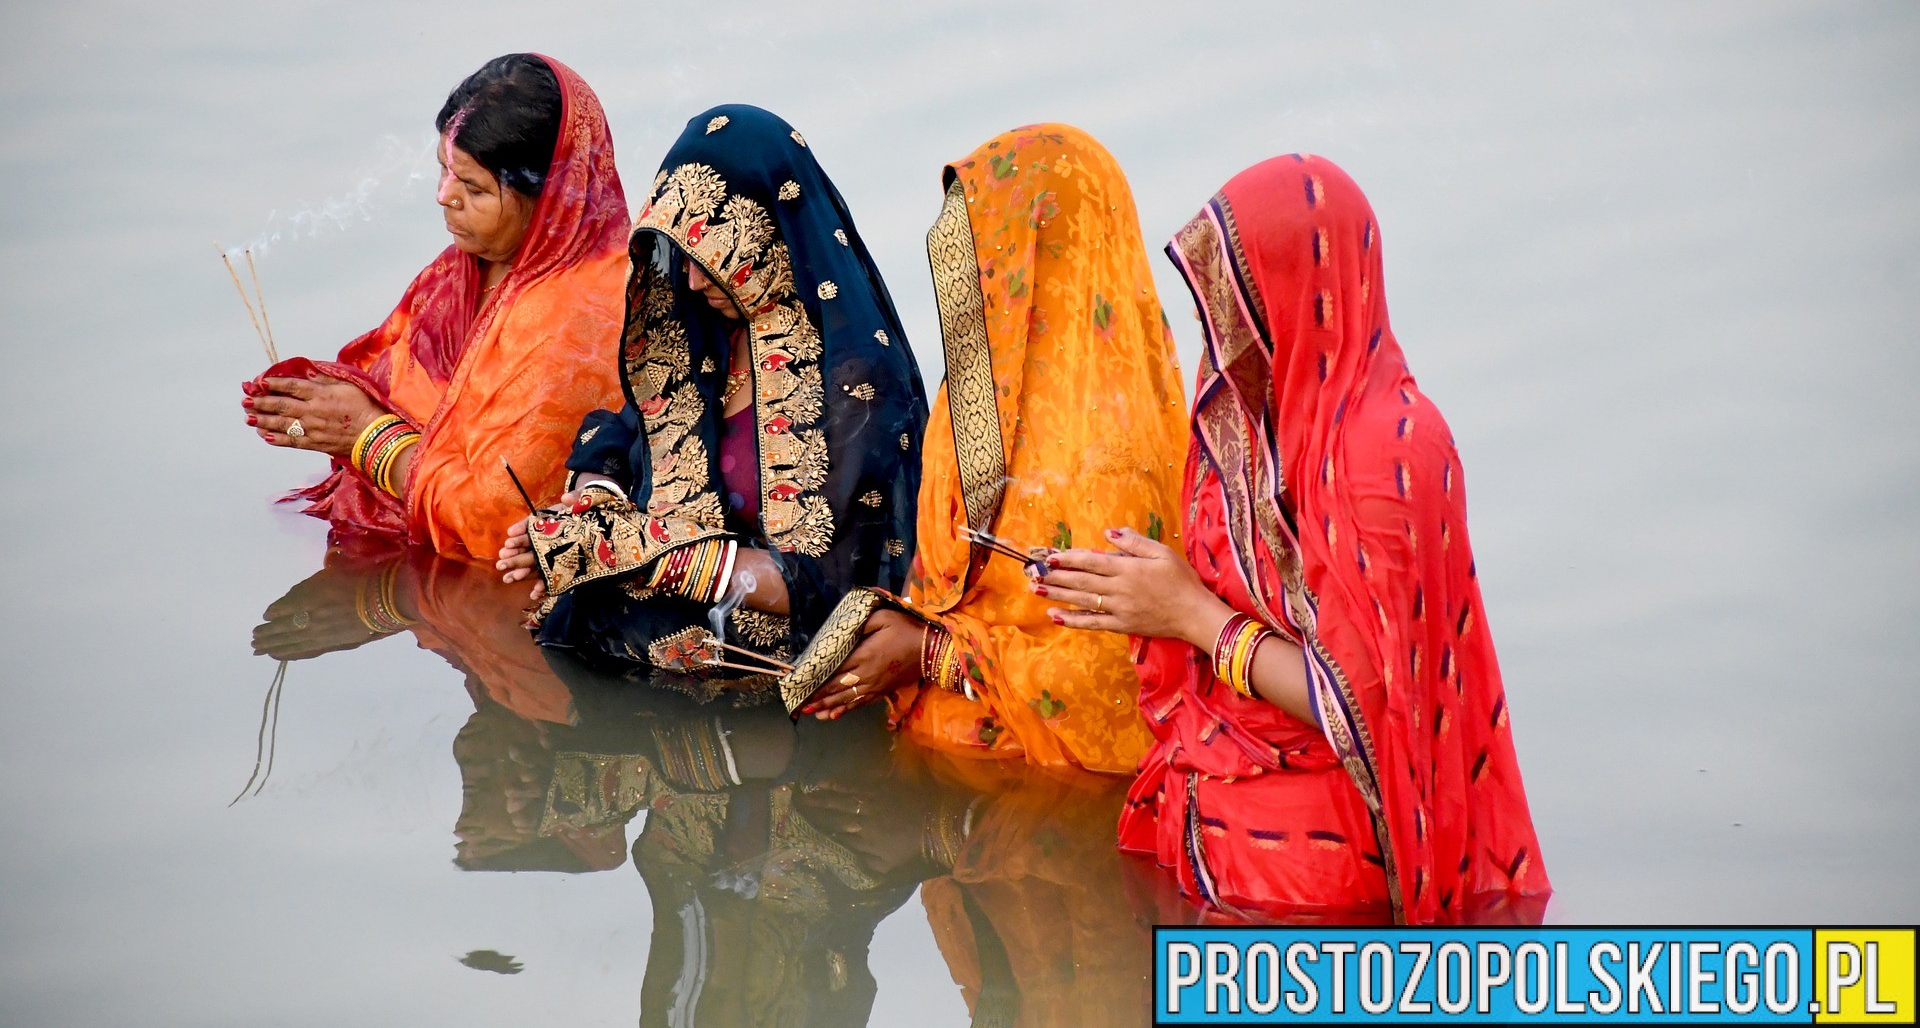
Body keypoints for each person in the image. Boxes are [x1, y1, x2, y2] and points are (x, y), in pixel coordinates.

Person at [1035, 154, 1549, 923]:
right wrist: (1133, 591)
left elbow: (1372, 712)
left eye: (1240, 294)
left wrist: (1191, 618)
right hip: (1211, 833)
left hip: (1329, 884)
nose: (1224, 325)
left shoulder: (1391, 448)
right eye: (1215, 298)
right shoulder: (1244, 415)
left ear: (1302, 290)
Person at [496, 106, 927, 704]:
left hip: (772, 687)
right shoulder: (706, 333)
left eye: (714, 261)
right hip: (662, 652)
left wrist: (650, 556)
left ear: (767, 239)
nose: (695, 284)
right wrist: (592, 504)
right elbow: (624, 430)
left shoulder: (855, 383)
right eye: (687, 262)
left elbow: (841, 587)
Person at [801, 125, 1188, 778]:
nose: (973, 276)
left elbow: (1121, 686)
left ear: (1050, 252)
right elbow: (946, 587)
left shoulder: (1114, 449)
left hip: (1044, 801)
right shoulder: (974, 400)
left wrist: (933, 655)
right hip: (937, 772)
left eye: (989, 249)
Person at [241, 54, 629, 561]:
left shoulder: (579, 317)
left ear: (555, 197)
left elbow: (502, 524)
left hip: (496, 582)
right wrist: (322, 409)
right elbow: (397, 382)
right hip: (411, 512)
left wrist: (365, 436)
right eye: (444, 171)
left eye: (473, 188)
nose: (444, 197)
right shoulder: (468, 265)